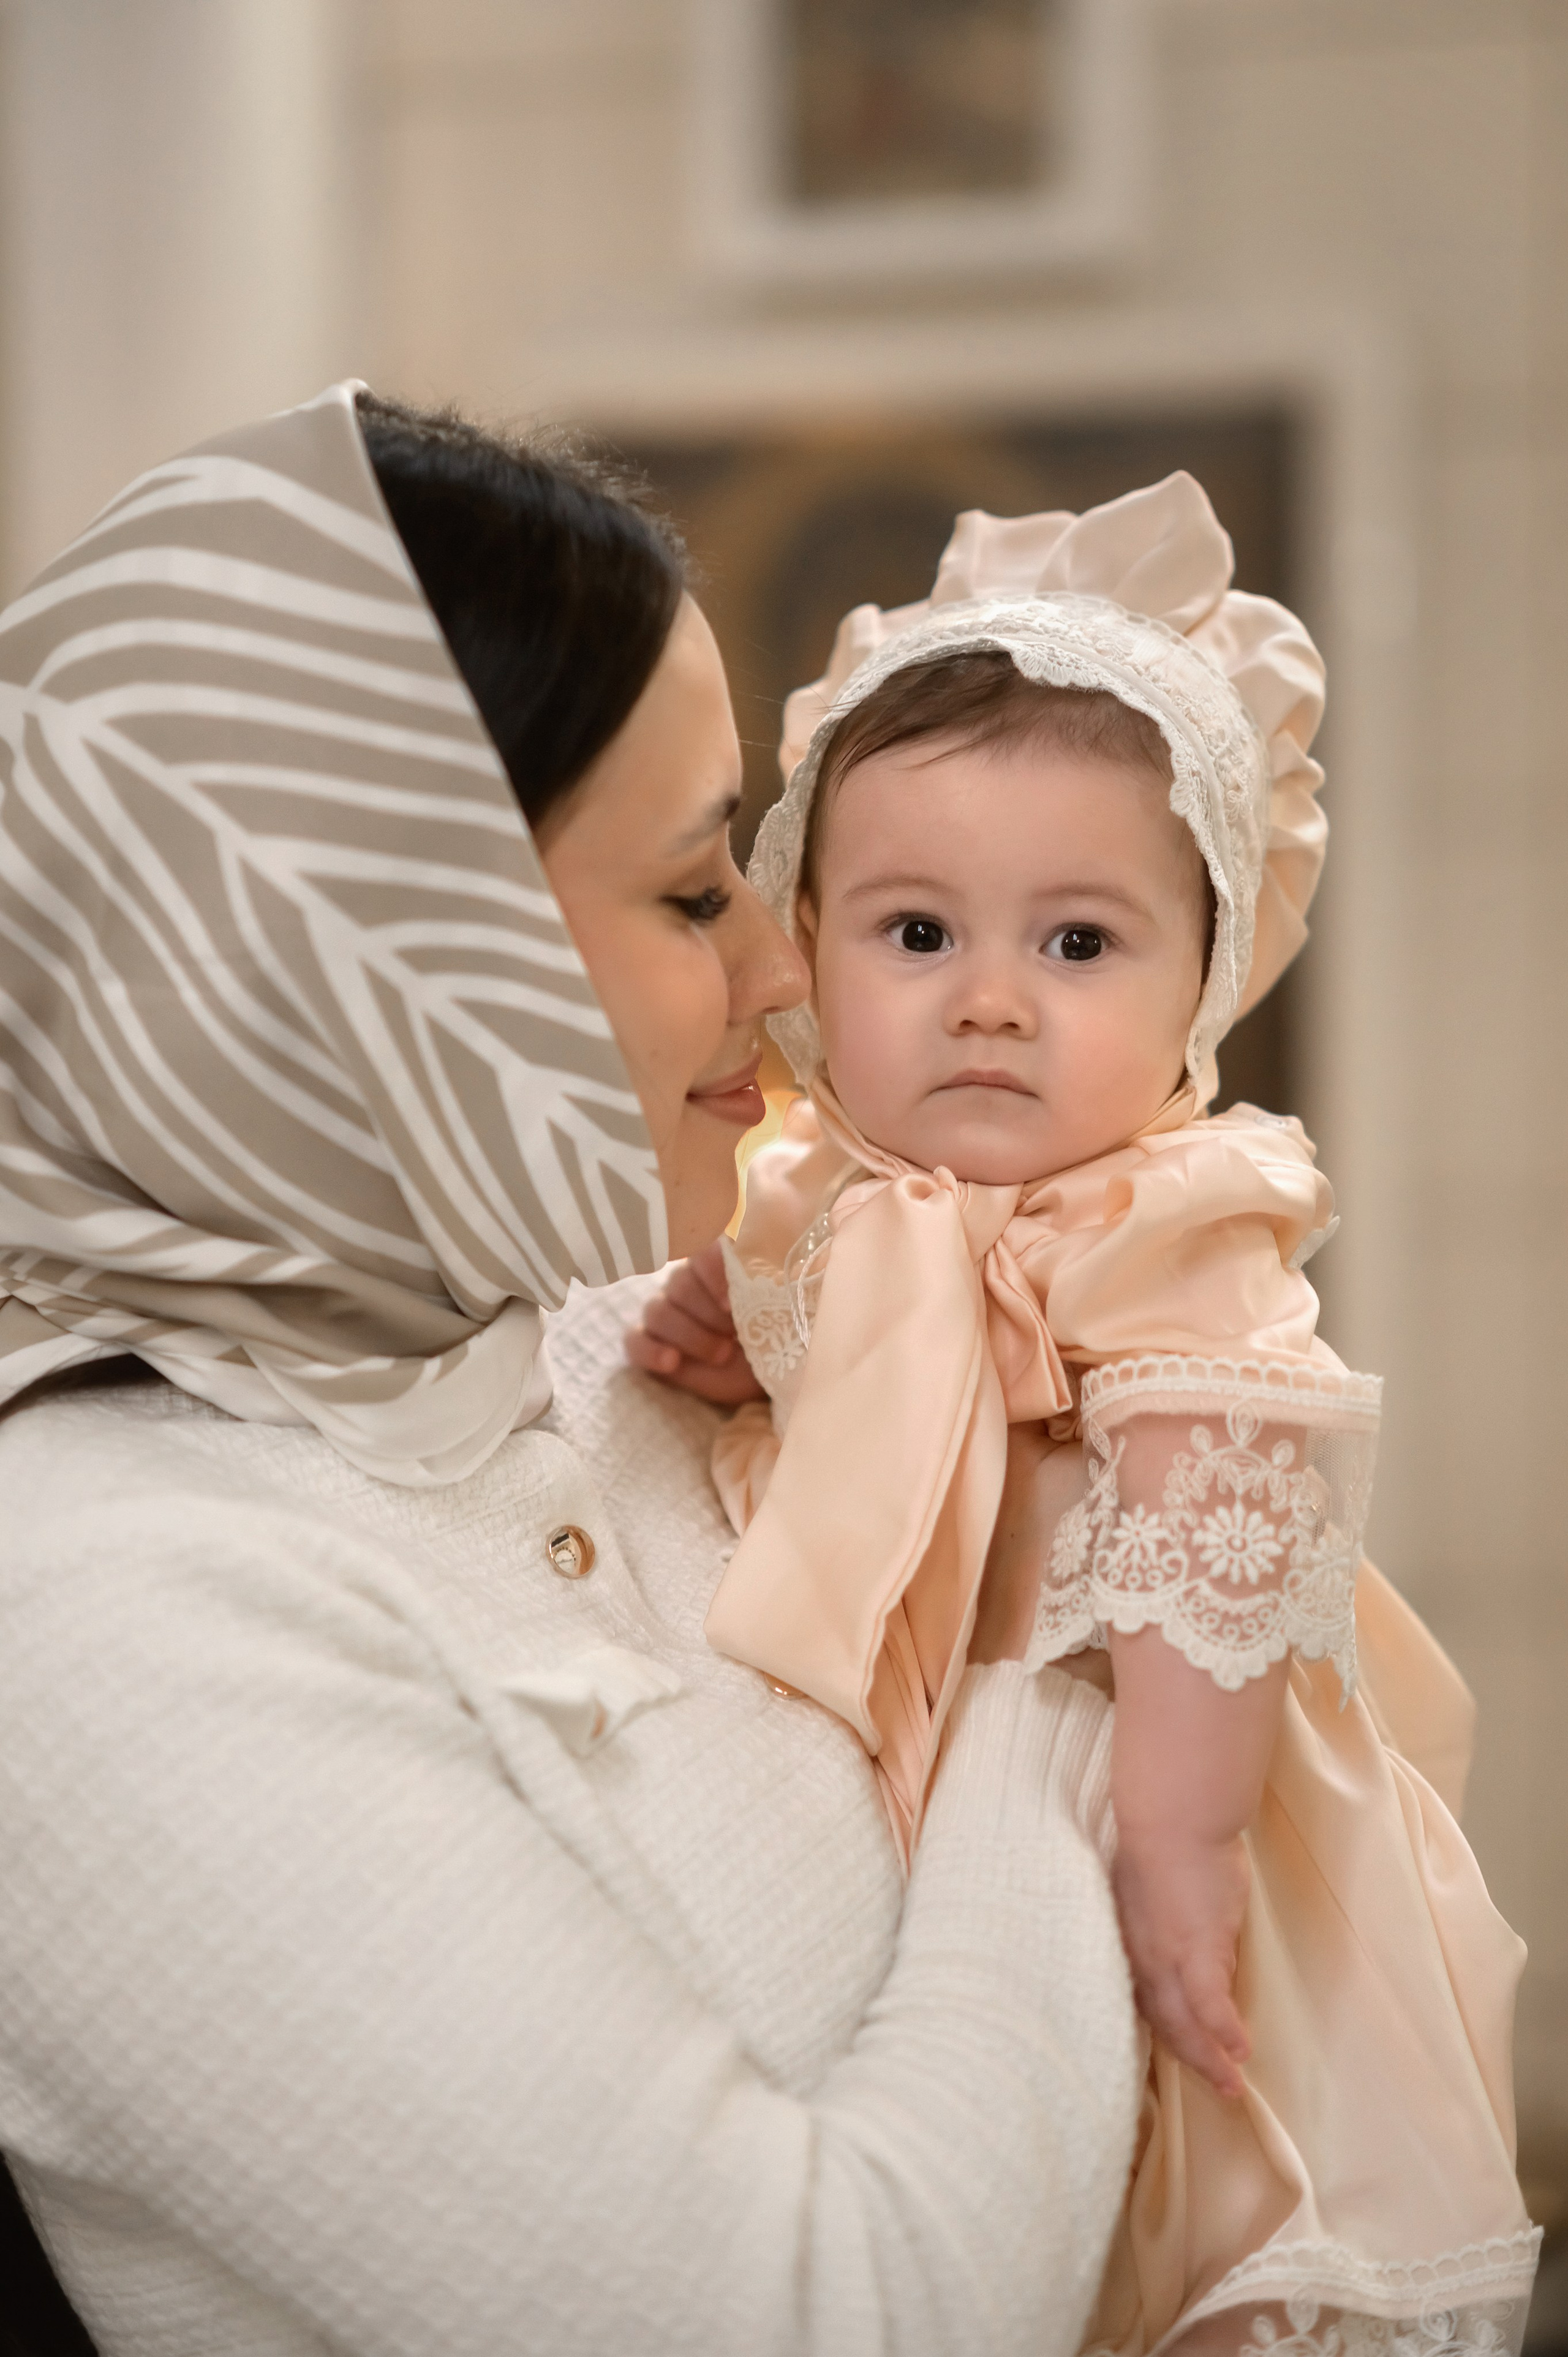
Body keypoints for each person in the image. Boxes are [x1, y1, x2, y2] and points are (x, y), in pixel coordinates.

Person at [0, 385, 1142, 2356]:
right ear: (364, 959)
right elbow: (832, 2321)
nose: (792, 974)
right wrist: (1057, 1655)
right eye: (699, 891)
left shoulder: (629, 1341)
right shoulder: (89, 1619)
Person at [630, 476, 1541, 2353]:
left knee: (1187, 2149)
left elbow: (1221, 1519)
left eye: (1075, 946)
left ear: (1203, 975)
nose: (987, 1006)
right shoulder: (820, 1195)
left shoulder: (1165, 1217)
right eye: (913, 936)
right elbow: (835, 1363)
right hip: (889, 1796)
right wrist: (747, 1328)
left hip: (1154, 1760)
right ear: (804, 946)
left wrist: (1183, 1839)